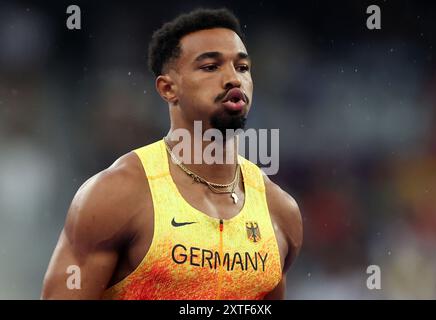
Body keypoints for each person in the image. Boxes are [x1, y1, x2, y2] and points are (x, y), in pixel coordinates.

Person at [41, 8, 302, 300]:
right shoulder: (117, 195)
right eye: (210, 67)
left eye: (242, 67)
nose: (233, 78)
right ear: (168, 88)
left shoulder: (280, 212)